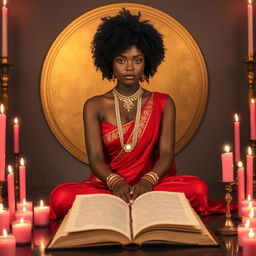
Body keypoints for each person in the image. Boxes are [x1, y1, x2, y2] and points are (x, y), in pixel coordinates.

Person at [49, 9, 235, 220]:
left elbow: (166, 155)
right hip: (108, 187)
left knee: (198, 189)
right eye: (121, 60)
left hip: (153, 184)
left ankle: (126, 206)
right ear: (109, 62)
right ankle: (137, 205)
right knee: (61, 197)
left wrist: (147, 182)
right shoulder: (94, 105)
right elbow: (95, 159)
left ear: (147, 62)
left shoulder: (163, 102)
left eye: (137, 60)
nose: (130, 67)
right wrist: (116, 183)